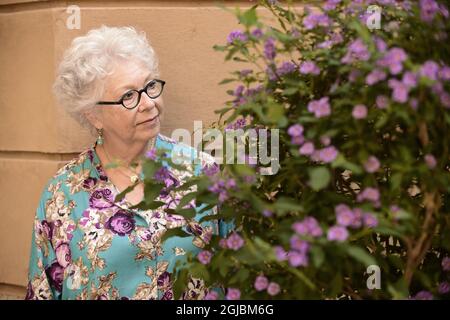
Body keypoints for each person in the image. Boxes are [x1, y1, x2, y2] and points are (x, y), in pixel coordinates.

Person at [25, 25, 229, 300]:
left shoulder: (203, 172)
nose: (148, 103)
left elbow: (237, 276)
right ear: (93, 115)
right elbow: (43, 291)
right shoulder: (62, 195)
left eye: (150, 86)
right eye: (129, 96)